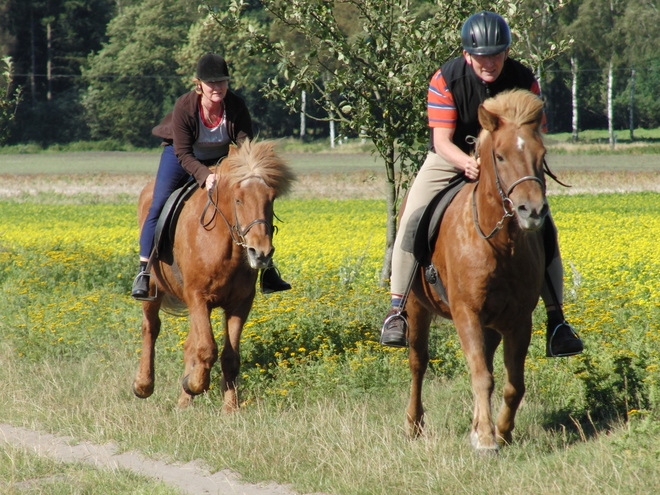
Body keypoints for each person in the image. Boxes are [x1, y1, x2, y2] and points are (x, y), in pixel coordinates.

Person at [379, 11, 584, 358]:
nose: (489, 62)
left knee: (544, 225)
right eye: (481, 55)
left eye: (497, 53)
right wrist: (468, 163)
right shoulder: (446, 79)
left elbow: (534, 131)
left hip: (505, 163)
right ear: (467, 55)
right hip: (453, 158)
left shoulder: (522, 78)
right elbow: (442, 140)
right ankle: (397, 309)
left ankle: (557, 321)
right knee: (411, 218)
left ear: (506, 52)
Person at [131, 52, 291, 300]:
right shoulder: (185, 106)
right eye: (211, 83)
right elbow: (183, 152)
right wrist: (204, 175)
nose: (217, 87)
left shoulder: (236, 105)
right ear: (199, 85)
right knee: (158, 202)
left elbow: (243, 145)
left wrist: (249, 172)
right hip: (181, 158)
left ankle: (268, 268)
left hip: (220, 158)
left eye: (222, 82)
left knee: (253, 202)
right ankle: (144, 271)